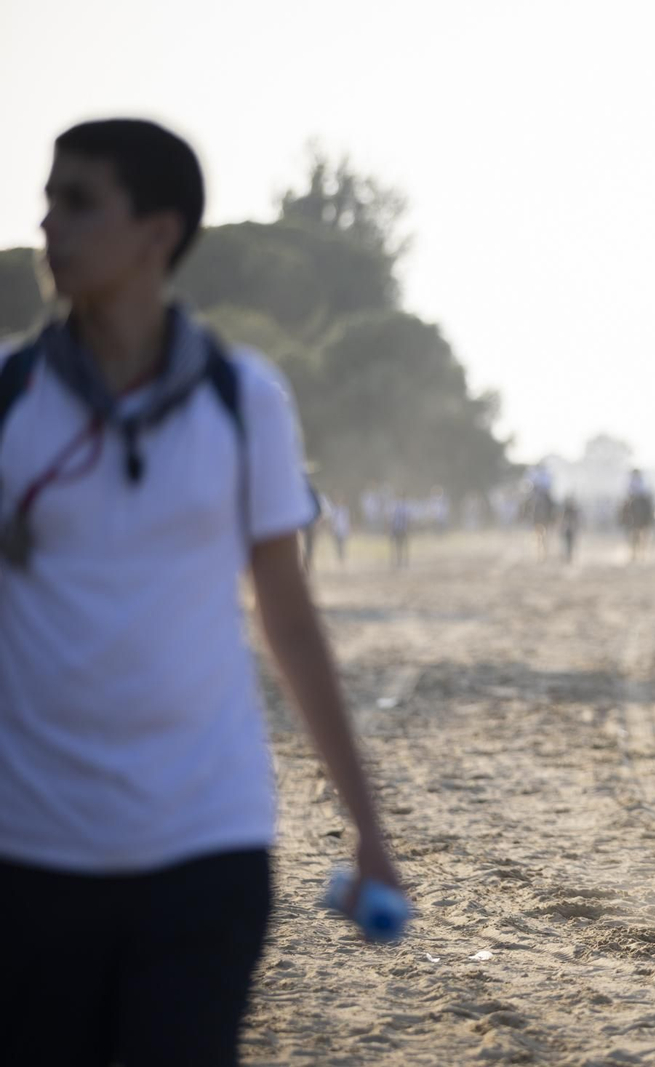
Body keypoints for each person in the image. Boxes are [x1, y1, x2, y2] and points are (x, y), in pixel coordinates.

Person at [0, 118, 403, 1065]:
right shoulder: (11, 397)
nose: (47, 224)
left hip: (206, 838)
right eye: (49, 199)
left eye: (78, 201)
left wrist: (368, 828)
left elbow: (290, 622)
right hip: (30, 846)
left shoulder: (243, 397)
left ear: (158, 231)